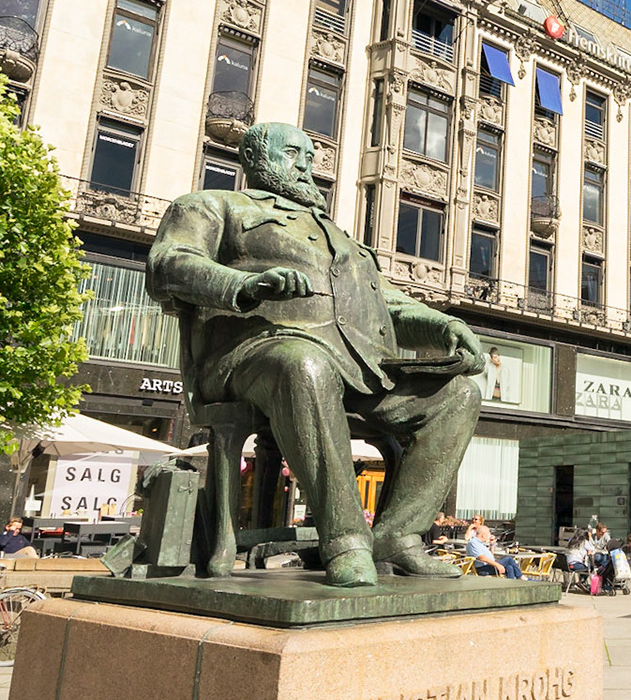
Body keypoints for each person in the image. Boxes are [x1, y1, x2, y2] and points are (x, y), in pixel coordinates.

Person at [148, 122, 485, 588]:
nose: (306, 166)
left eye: (310, 157)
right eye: (293, 153)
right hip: (254, 354)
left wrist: (445, 325)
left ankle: (398, 536)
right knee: (304, 365)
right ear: (255, 157)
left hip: (358, 370)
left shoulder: (343, 239)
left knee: (459, 395)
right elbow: (168, 263)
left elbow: (390, 304)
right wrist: (244, 284)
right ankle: (346, 542)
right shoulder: (213, 205)